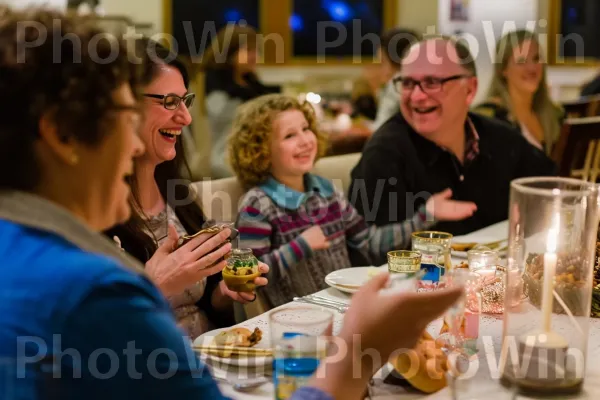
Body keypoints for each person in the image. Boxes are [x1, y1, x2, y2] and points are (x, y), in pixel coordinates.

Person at [0, 8, 464, 400]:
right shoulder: (95, 292)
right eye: (125, 113)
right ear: (61, 135)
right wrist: (362, 349)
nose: (134, 144)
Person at [228, 94, 476, 307]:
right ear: (259, 150)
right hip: (295, 324)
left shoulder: (327, 192)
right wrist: (299, 246)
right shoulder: (258, 205)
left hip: (345, 309)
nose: (305, 140)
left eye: (306, 129)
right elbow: (247, 280)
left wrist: (425, 215)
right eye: (289, 136)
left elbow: (370, 242)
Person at [106, 39, 266, 340]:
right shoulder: (94, 212)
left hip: (209, 359)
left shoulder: (175, 191)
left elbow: (204, 304)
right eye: (169, 102)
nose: (186, 117)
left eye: (184, 100)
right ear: (125, 106)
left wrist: (225, 291)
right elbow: (92, 338)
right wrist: (155, 284)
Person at [349, 36, 557, 237]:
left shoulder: (501, 139)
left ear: (470, 89)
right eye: (408, 83)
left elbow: (553, 191)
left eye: (432, 82)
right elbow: (364, 254)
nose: (417, 96)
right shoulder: (384, 155)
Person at [202, 24, 280, 179]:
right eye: (249, 50)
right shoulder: (213, 83)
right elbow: (222, 117)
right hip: (224, 155)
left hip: (252, 151)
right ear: (229, 52)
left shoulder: (250, 81)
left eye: (256, 50)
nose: (255, 55)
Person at [473, 30, 563, 155]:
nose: (532, 68)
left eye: (536, 58)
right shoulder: (487, 116)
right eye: (521, 61)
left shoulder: (556, 115)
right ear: (503, 69)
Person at [372, 28, 420, 131]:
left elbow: (380, 129)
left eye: (382, 63)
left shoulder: (397, 83)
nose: (380, 70)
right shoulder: (425, 83)